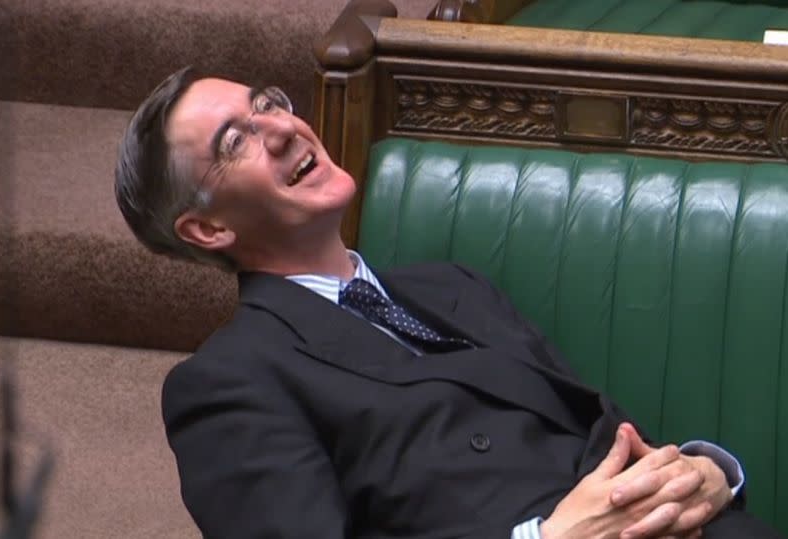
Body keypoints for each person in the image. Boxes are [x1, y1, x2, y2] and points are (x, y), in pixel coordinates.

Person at [114, 67, 783, 539]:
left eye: (267, 103)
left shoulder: (450, 285)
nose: (282, 127)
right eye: (235, 142)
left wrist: (702, 468)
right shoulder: (228, 381)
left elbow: (593, 433)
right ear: (209, 230)